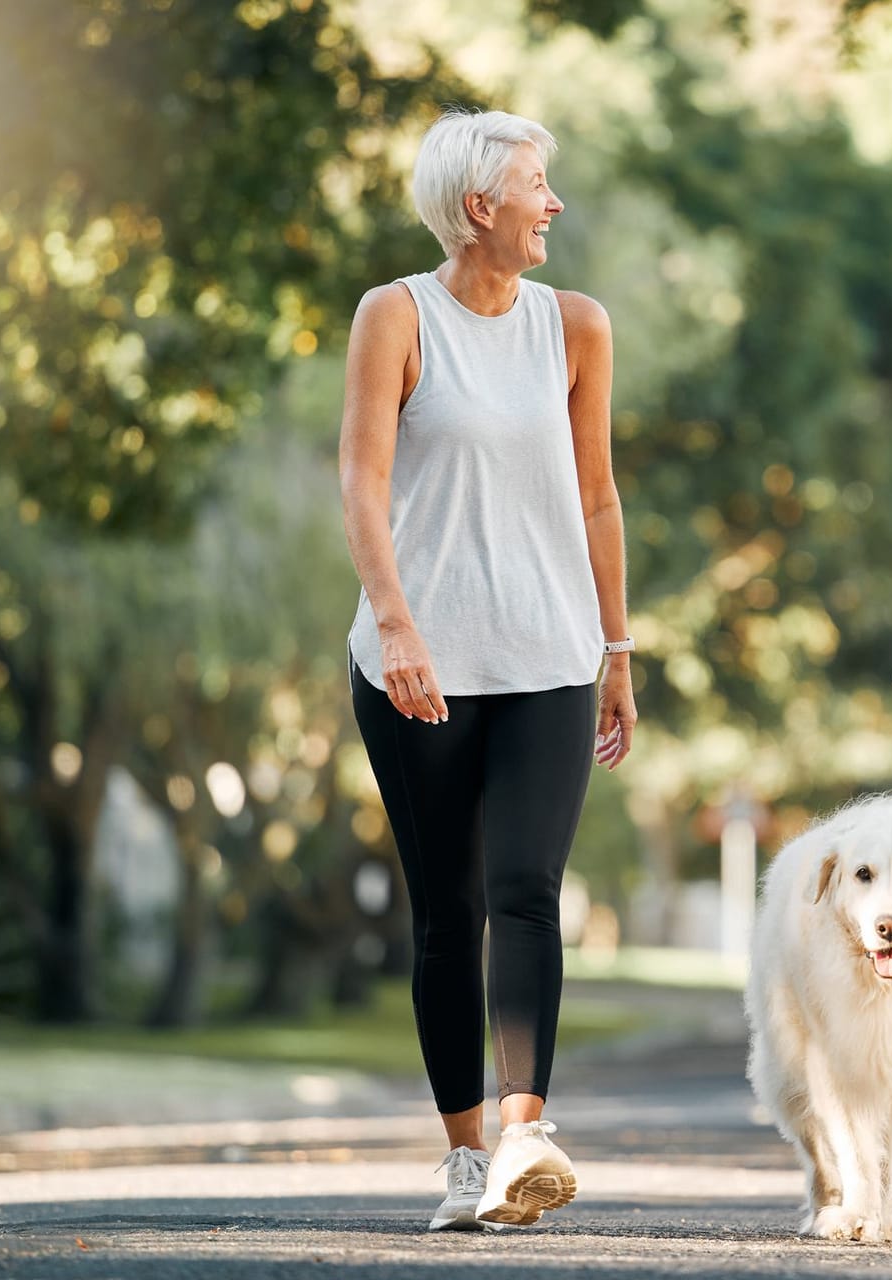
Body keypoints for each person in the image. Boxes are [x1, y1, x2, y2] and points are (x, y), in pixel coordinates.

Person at [338, 107, 636, 1233]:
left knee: (526, 890)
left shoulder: (578, 326)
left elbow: (599, 494)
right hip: (419, 663)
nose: (553, 203)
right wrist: (398, 624)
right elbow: (364, 484)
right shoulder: (395, 316)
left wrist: (616, 648)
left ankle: (523, 1135)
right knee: (446, 906)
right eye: (536, 185)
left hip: (550, 654)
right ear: (479, 207)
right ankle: (464, 1154)